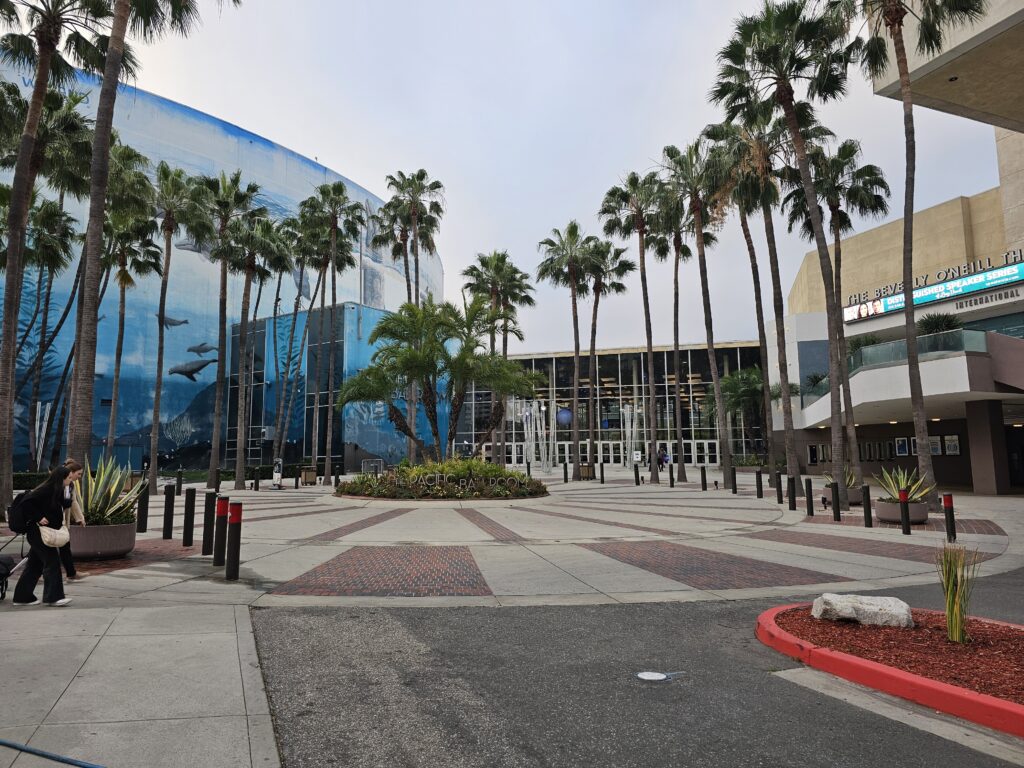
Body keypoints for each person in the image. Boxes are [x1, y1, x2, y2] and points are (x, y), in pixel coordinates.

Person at [12, 460, 84, 607]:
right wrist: (38, 517)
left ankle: (22, 597)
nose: (71, 480)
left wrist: (68, 491)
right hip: (38, 533)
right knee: (52, 562)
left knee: (34, 564)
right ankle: (53, 597)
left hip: (42, 534)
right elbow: (26, 503)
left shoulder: (57, 490)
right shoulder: (46, 489)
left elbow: (65, 505)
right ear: (61, 478)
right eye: (69, 478)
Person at [59, 458, 89, 581]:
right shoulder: (59, 482)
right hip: (54, 521)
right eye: (79, 474)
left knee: (64, 547)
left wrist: (80, 518)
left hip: (62, 522)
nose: (80, 476)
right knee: (45, 549)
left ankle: (71, 573)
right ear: (71, 472)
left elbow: (73, 502)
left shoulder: (71, 485)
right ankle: (71, 574)